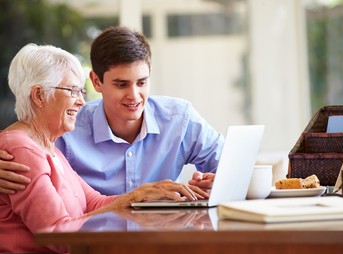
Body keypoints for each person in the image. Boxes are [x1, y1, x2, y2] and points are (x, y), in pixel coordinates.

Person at [0, 43, 207, 254]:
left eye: (81, 91)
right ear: (39, 96)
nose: (81, 102)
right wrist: (134, 198)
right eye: (72, 91)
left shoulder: (48, 147)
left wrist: (143, 194)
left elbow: (94, 202)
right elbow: (57, 235)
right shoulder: (21, 149)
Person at [0, 26, 224, 196]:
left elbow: (232, 166)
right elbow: (22, 139)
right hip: (94, 250)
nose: (134, 95)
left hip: (162, 242)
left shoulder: (180, 118)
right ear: (96, 82)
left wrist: (220, 180)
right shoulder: (68, 126)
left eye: (142, 82)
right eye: (121, 84)